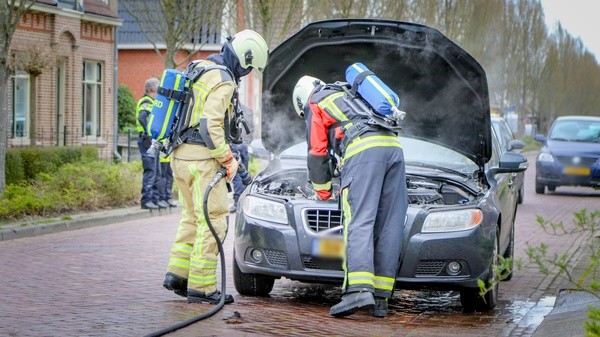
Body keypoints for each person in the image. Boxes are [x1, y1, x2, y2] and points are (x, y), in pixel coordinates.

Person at [162, 29, 269, 304]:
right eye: (248, 68)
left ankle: (178, 275)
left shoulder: (200, 68)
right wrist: (228, 159)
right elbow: (211, 126)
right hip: (202, 161)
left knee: (192, 217)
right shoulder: (224, 81)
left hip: (180, 158)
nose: (246, 73)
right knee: (214, 221)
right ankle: (203, 288)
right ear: (244, 59)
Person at [292, 74, 408, 318]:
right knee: (388, 225)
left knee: (359, 220)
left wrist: (322, 191)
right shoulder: (351, 95)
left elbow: (317, 151)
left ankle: (357, 290)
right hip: (394, 149)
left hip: (364, 151)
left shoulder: (315, 101)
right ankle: (380, 298)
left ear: (302, 99)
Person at [136, 77, 169, 210]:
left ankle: (155, 199)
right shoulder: (146, 101)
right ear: (154, 89)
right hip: (146, 140)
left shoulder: (153, 102)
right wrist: (149, 133)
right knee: (150, 170)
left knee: (156, 170)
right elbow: (142, 117)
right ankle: (146, 200)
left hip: (151, 140)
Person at [229, 105, 253, 213]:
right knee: (244, 174)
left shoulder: (230, 109)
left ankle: (238, 200)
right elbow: (252, 128)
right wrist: (248, 142)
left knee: (237, 176)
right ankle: (244, 199)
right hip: (244, 145)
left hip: (235, 145)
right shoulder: (248, 110)